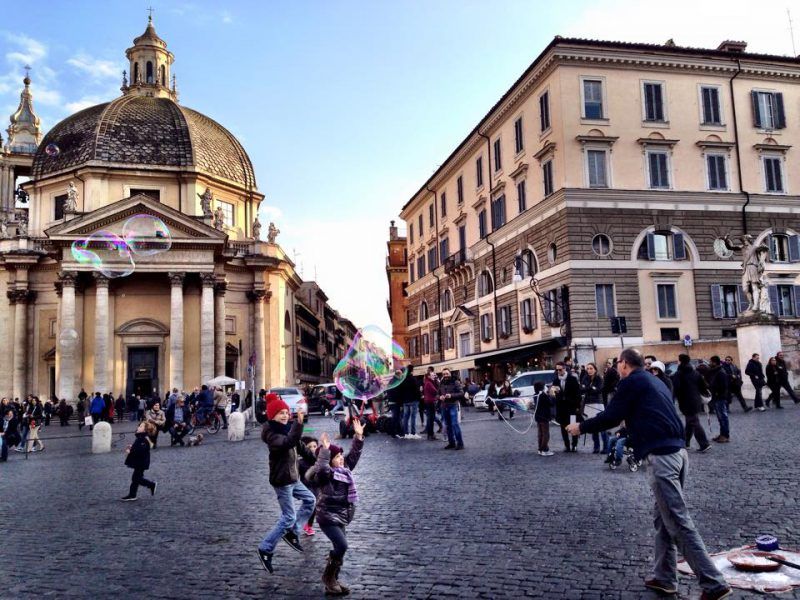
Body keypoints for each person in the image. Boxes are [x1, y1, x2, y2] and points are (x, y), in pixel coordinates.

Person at [567, 348, 730, 600]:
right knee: (663, 519)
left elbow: (611, 416)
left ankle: (714, 583)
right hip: (677, 453)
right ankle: (664, 578)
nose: (616, 368)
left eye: (617, 364)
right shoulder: (654, 381)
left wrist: (582, 427)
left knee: (677, 521)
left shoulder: (631, 382)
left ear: (623, 364)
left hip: (663, 456)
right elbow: (649, 416)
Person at [256, 393, 316, 575]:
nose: (284, 415)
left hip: (293, 478)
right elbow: (289, 442)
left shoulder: (287, 428)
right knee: (288, 517)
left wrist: (317, 460)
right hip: (282, 481)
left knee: (310, 500)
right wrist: (298, 423)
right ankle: (265, 548)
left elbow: (300, 447)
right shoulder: (271, 434)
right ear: (272, 415)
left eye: (285, 412)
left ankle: (293, 532)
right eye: (280, 413)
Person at [307, 423, 364, 595]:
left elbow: (353, 456)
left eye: (341, 455)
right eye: (337, 456)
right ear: (329, 459)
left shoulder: (344, 471)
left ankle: (333, 582)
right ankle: (329, 578)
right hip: (327, 517)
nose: (341, 458)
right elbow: (322, 468)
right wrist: (324, 451)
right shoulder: (326, 475)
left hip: (341, 516)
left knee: (340, 550)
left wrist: (358, 437)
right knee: (342, 546)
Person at [671, 354, 711, 452]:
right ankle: (685, 443)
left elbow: (676, 389)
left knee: (693, 422)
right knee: (690, 422)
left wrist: (672, 400)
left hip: (686, 401)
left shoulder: (678, 374)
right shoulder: (695, 372)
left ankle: (704, 444)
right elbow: (704, 386)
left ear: (680, 361)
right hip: (696, 400)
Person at [121, 421, 158, 501]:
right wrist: (132, 447)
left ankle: (151, 484)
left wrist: (130, 451)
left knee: (136, 479)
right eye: (139, 426)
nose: (138, 427)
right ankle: (132, 495)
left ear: (145, 430)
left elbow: (140, 451)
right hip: (140, 462)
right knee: (136, 478)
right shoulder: (141, 437)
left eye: (141, 427)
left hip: (141, 462)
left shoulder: (143, 439)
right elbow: (139, 448)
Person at [551, 362, 581, 452]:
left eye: (560, 369)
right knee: (563, 427)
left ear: (564, 369)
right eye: (557, 370)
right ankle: (567, 446)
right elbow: (553, 394)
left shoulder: (572, 379)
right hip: (561, 408)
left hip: (571, 407)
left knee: (573, 426)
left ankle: (574, 445)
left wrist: (577, 406)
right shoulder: (556, 380)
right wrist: (554, 394)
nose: (558, 371)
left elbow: (578, 394)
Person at [581, 363, 607, 453]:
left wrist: (588, 388)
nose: (589, 370)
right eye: (587, 368)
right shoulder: (585, 378)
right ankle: (596, 447)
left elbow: (598, 390)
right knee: (593, 426)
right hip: (588, 403)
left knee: (602, 426)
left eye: (591, 368)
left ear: (595, 369)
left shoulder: (599, 378)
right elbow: (582, 388)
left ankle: (606, 447)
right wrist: (590, 388)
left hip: (598, 403)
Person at [438, 369, 464, 450]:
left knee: (454, 424)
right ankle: (451, 443)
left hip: (453, 405)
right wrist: (439, 397)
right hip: (444, 406)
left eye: (447, 373)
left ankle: (460, 443)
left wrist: (451, 395)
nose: (445, 375)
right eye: (444, 374)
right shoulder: (441, 383)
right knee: (448, 425)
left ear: (450, 374)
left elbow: (461, 393)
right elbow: (437, 394)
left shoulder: (455, 382)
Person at [299, 436, 319, 537]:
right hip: (306, 487)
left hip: (317, 486)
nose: (313, 448)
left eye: (315, 446)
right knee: (312, 504)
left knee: (314, 507)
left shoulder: (319, 460)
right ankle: (306, 524)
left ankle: (308, 524)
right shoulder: (300, 462)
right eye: (309, 447)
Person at [708, 356, 730, 443]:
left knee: (723, 417)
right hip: (717, 397)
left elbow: (724, 386)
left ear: (715, 362)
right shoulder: (716, 371)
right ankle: (722, 434)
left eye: (711, 362)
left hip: (720, 397)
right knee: (720, 417)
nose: (710, 363)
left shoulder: (721, 372)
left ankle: (725, 435)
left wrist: (717, 393)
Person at [532, 381, 553, 456]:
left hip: (538, 417)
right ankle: (544, 449)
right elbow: (550, 403)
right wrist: (550, 395)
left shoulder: (535, 395)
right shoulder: (543, 395)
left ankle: (540, 449)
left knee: (540, 434)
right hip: (544, 417)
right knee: (545, 434)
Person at [421, 369, 440, 440]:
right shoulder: (429, 383)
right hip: (430, 402)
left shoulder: (428, 382)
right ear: (428, 376)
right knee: (431, 419)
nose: (434, 376)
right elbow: (435, 391)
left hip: (428, 401)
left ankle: (430, 434)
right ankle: (430, 434)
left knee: (430, 418)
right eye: (432, 375)